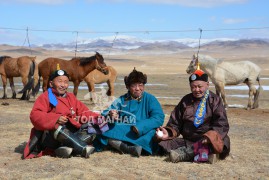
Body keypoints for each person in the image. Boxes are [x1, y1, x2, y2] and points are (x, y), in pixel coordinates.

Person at [23, 68, 106, 159]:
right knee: (56, 125)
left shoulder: (71, 97)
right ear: (51, 84)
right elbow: (35, 115)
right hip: (51, 138)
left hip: (72, 134)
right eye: (60, 81)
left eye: (66, 82)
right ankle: (82, 148)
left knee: (97, 125)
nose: (63, 85)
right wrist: (55, 118)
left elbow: (84, 112)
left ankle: (66, 148)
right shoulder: (46, 97)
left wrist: (103, 117)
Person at [156, 68, 230, 163]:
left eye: (200, 86)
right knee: (162, 143)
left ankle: (185, 154)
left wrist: (209, 136)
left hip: (207, 140)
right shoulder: (185, 100)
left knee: (222, 141)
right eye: (193, 87)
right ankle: (202, 154)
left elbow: (222, 124)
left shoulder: (215, 100)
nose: (197, 90)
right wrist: (169, 132)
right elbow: (175, 123)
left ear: (207, 85)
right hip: (188, 140)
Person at [94, 68, 165, 157]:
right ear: (127, 86)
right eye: (134, 86)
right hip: (125, 129)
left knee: (151, 134)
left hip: (143, 131)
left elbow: (158, 117)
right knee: (101, 125)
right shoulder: (122, 100)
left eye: (140, 85)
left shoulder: (150, 99)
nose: (138, 89)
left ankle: (118, 143)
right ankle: (128, 147)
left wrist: (140, 127)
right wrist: (111, 115)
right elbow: (106, 113)